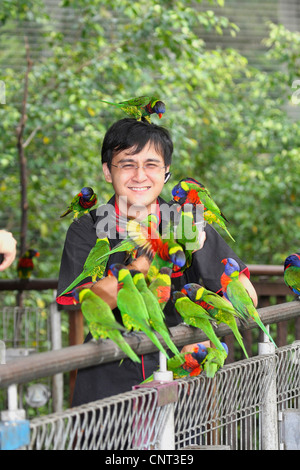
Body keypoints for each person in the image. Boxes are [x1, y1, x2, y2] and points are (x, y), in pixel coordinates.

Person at [56, 118, 257, 406]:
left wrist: (197, 249)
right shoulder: (88, 226)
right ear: (106, 172)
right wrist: (146, 258)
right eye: (127, 164)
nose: (140, 175)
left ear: (165, 173)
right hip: (108, 382)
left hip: (181, 381)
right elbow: (85, 300)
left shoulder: (186, 220)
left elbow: (248, 296)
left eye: (151, 165)